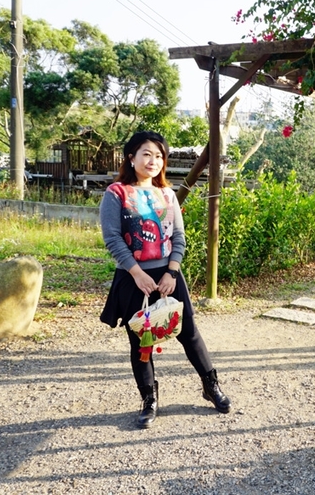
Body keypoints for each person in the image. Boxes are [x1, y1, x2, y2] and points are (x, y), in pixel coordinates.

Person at [99, 131, 231, 429]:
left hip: (169, 275)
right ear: (131, 157)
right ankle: (149, 399)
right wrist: (137, 273)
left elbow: (178, 237)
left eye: (159, 155)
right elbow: (112, 238)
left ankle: (211, 387)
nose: (153, 161)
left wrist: (172, 271)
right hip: (134, 276)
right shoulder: (116, 193)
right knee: (141, 341)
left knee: (190, 334)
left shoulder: (167, 195)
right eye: (146, 154)